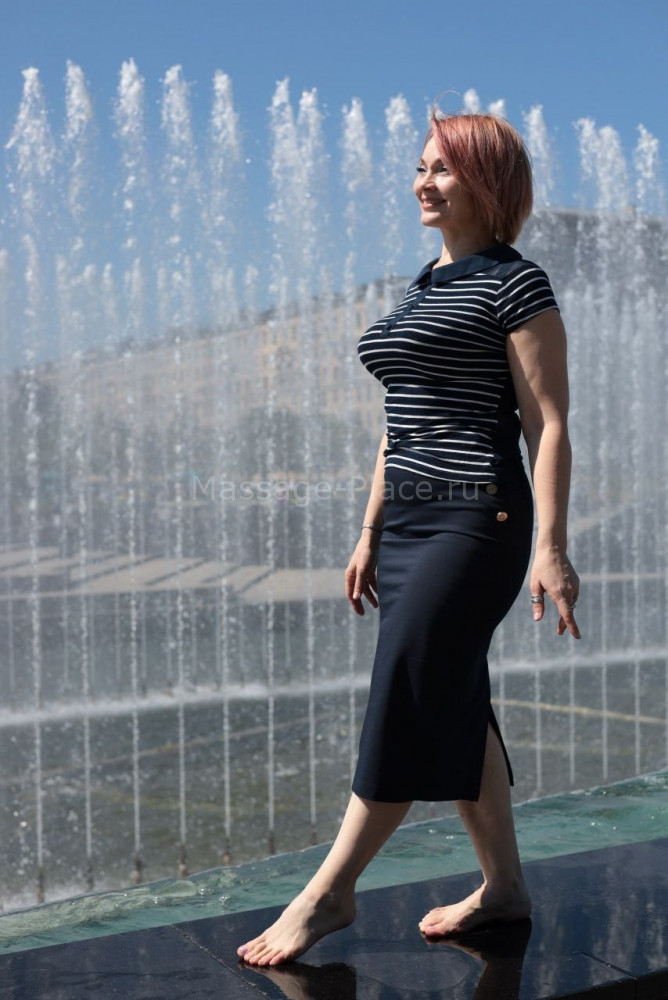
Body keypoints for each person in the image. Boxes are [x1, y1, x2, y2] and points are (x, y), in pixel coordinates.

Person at [237, 110, 580, 968]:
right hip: (411, 524)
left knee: (409, 688)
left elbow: (547, 422)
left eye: (443, 169)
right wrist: (369, 530)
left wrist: (551, 545)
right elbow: (400, 425)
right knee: (454, 694)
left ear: (487, 182)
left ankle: (331, 891)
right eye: (420, 167)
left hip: (476, 517)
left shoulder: (516, 284)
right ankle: (504, 886)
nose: (423, 182)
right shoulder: (422, 285)